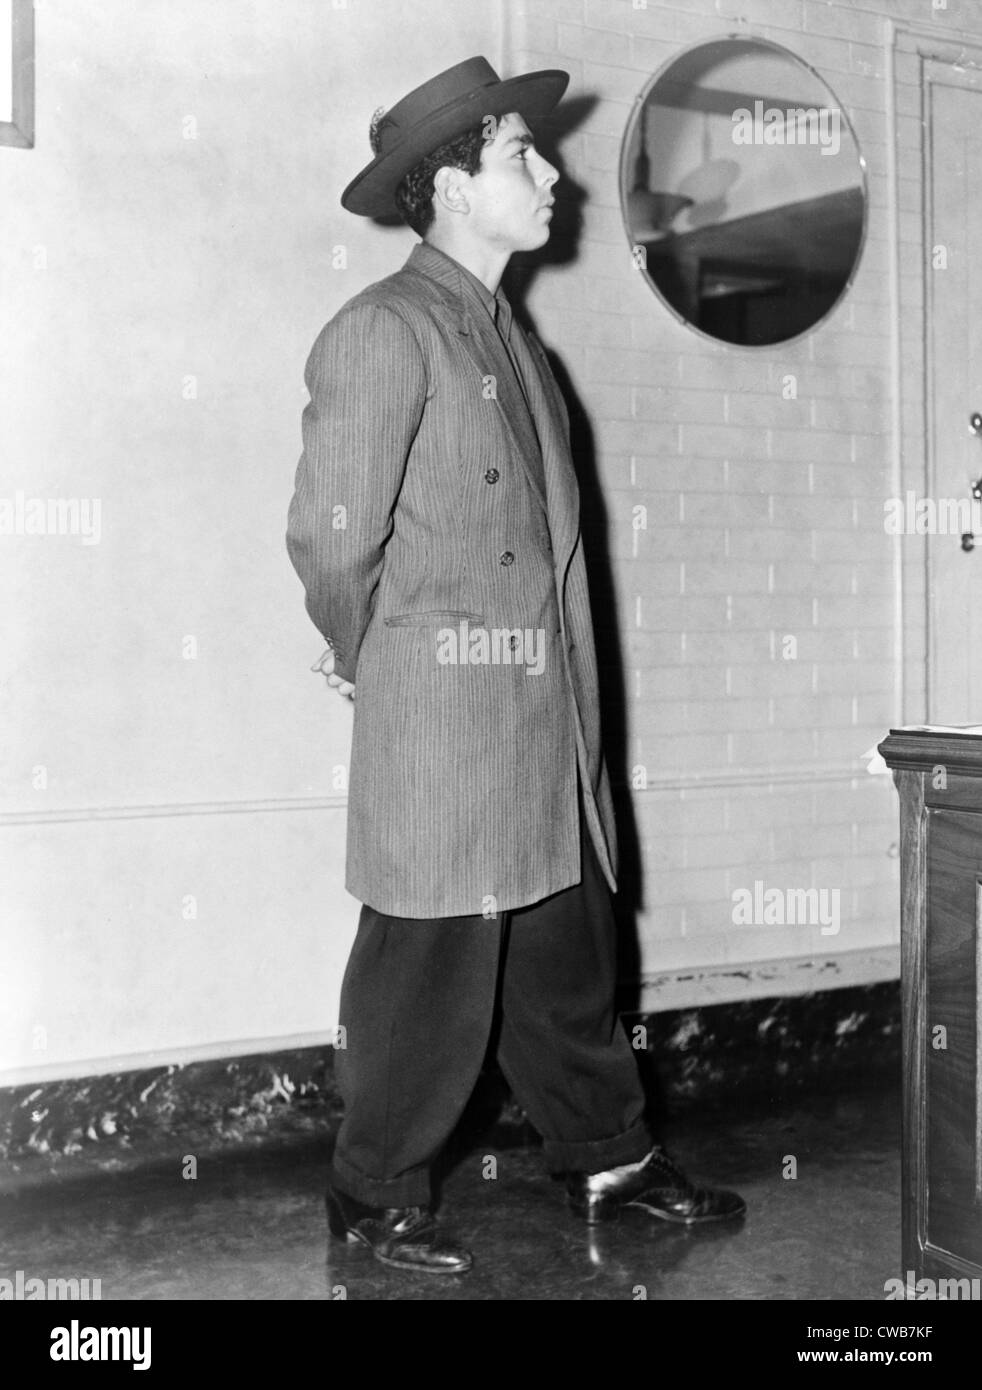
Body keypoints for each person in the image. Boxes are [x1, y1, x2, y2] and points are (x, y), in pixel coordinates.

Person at [286, 56, 745, 1276]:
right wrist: (371, 653)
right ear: (445, 189)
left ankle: (609, 1154)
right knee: (427, 969)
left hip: (546, 724)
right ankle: (372, 1191)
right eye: (519, 158)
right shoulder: (385, 331)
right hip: (447, 720)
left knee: (565, 952)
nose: (551, 176)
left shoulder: (508, 336)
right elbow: (332, 541)